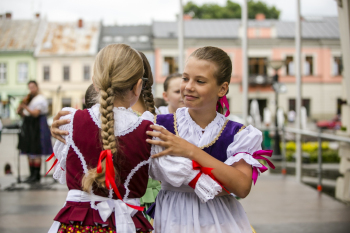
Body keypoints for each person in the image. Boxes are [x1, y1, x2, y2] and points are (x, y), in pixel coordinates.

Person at [145, 46, 274, 232]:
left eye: (200, 81)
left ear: (222, 88)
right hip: (172, 216)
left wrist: (190, 151)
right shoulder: (159, 123)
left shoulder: (238, 133)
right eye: (185, 78)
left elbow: (242, 187)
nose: (188, 86)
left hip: (218, 219)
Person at [47, 44, 155, 233]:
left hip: (78, 224)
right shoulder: (149, 131)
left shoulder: (70, 122)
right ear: (138, 86)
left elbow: (67, 174)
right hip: (127, 224)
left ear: (95, 82)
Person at [17, 80, 53, 183]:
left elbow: (35, 114)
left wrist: (25, 107)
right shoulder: (29, 99)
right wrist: (20, 109)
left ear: (37, 87)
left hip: (37, 126)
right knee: (29, 150)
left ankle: (36, 175)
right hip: (29, 126)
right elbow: (25, 114)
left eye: (33, 87)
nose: (31, 89)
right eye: (29, 87)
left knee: (36, 150)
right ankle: (31, 174)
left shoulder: (40, 99)